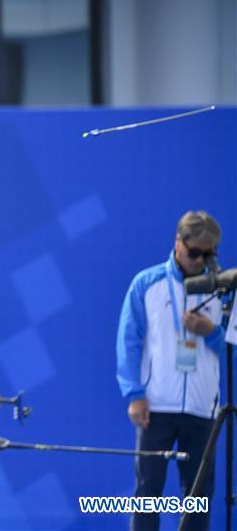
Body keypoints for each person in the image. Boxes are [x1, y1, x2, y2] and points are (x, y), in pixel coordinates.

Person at [117, 210, 226, 531]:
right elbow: (128, 342)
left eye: (208, 254)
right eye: (194, 252)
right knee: (148, 492)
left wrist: (211, 332)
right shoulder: (147, 284)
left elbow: (232, 346)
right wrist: (135, 395)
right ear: (178, 242)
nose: (200, 260)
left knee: (198, 495)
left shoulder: (225, 287)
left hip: (203, 407)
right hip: (156, 405)